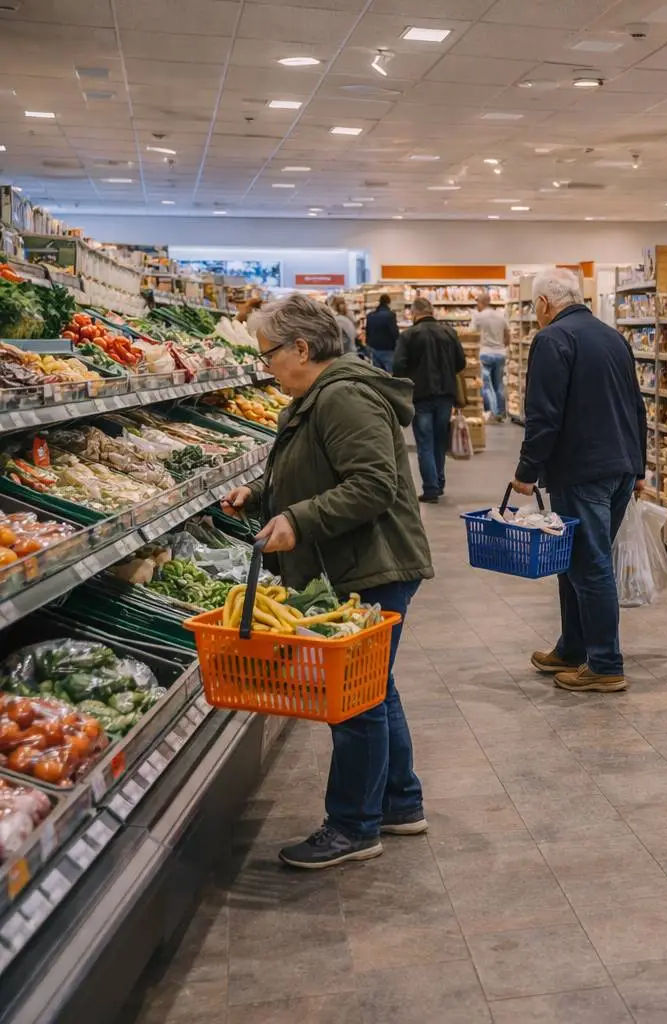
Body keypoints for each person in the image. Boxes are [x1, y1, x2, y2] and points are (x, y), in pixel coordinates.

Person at [220, 293, 433, 869]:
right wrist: (263, 496)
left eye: (267, 356)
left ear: (302, 348)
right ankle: (399, 802)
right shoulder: (320, 396)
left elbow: (372, 484)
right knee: (374, 686)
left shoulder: (343, 398)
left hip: (371, 565)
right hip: (358, 561)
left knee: (354, 701)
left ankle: (353, 827)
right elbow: (318, 470)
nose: (265, 367)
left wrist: (298, 519)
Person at [512, 268, 646, 693]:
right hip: (619, 465)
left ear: (545, 304)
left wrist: (526, 471)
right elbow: (636, 405)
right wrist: (639, 466)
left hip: (582, 469)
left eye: (534, 307)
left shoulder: (552, 339)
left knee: (588, 567)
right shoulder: (613, 336)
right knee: (574, 562)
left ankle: (605, 663)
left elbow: (543, 413)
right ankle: (572, 648)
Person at [393, 296, 465, 504]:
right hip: (446, 394)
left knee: (424, 441)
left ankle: (431, 488)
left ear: (414, 313)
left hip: (420, 395)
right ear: (432, 311)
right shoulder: (449, 333)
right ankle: (439, 482)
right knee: (440, 440)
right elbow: (460, 362)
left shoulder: (408, 335)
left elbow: (398, 365)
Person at [469, 290, 510, 423]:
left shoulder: (479, 316)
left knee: (486, 385)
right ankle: (502, 413)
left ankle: (492, 412)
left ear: (481, 303)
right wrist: (503, 345)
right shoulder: (500, 315)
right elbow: (507, 334)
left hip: (485, 353)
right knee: (499, 384)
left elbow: (472, 333)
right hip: (500, 353)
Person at [364, 294, 400, 373]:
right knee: (389, 374)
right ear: (388, 303)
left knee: (377, 374)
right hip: (387, 349)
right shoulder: (390, 315)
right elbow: (395, 333)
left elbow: (367, 331)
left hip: (373, 348)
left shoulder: (370, 315)